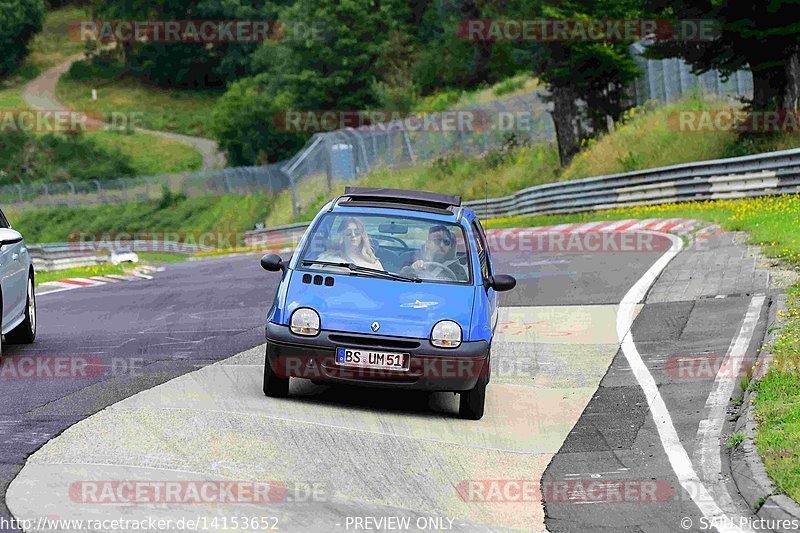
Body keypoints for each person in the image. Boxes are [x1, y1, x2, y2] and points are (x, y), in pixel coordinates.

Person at [401, 225, 466, 280]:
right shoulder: (413, 259)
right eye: (437, 241)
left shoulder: (456, 267)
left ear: (450, 246)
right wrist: (412, 268)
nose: (442, 245)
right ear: (428, 243)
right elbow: (401, 277)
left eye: (446, 242)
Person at [317, 216, 384, 270]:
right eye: (348, 232)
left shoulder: (373, 262)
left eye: (357, 232)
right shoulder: (329, 258)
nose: (353, 235)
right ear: (342, 235)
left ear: (362, 236)